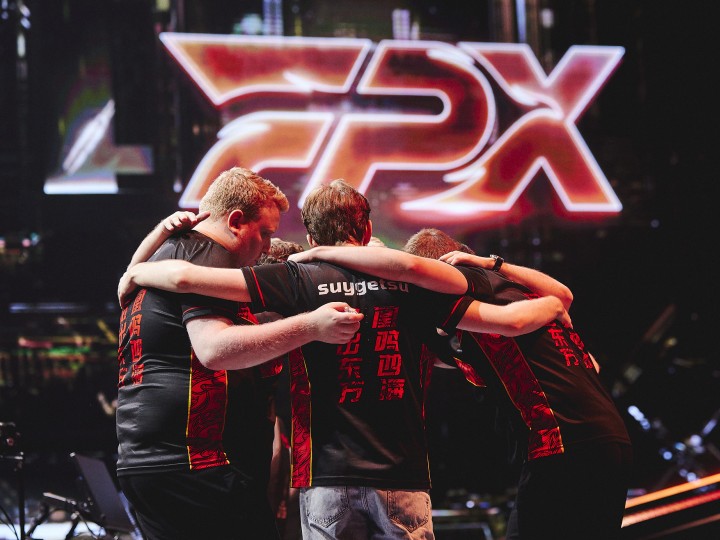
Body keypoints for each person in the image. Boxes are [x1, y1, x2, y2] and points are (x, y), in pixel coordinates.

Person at [118, 180, 568, 540]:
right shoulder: (414, 284)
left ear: (310, 237)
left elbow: (190, 280)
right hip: (403, 474)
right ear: (367, 231)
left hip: (324, 477)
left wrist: (139, 266)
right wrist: (550, 302)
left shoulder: (295, 279)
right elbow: (485, 326)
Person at [288, 228, 633, 540]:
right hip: (611, 438)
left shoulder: (464, 282)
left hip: (563, 442)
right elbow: (563, 300)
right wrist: (495, 264)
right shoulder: (513, 291)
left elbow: (409, 268)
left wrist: (321, 253)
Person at [115, 168, 363, 540]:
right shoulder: (207, 252)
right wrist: (311, 326)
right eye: (265, 233)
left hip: (143, 461)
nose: (267, 246)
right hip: (195, 464)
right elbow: (214, 349)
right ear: (235, 222)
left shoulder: (168, 254)